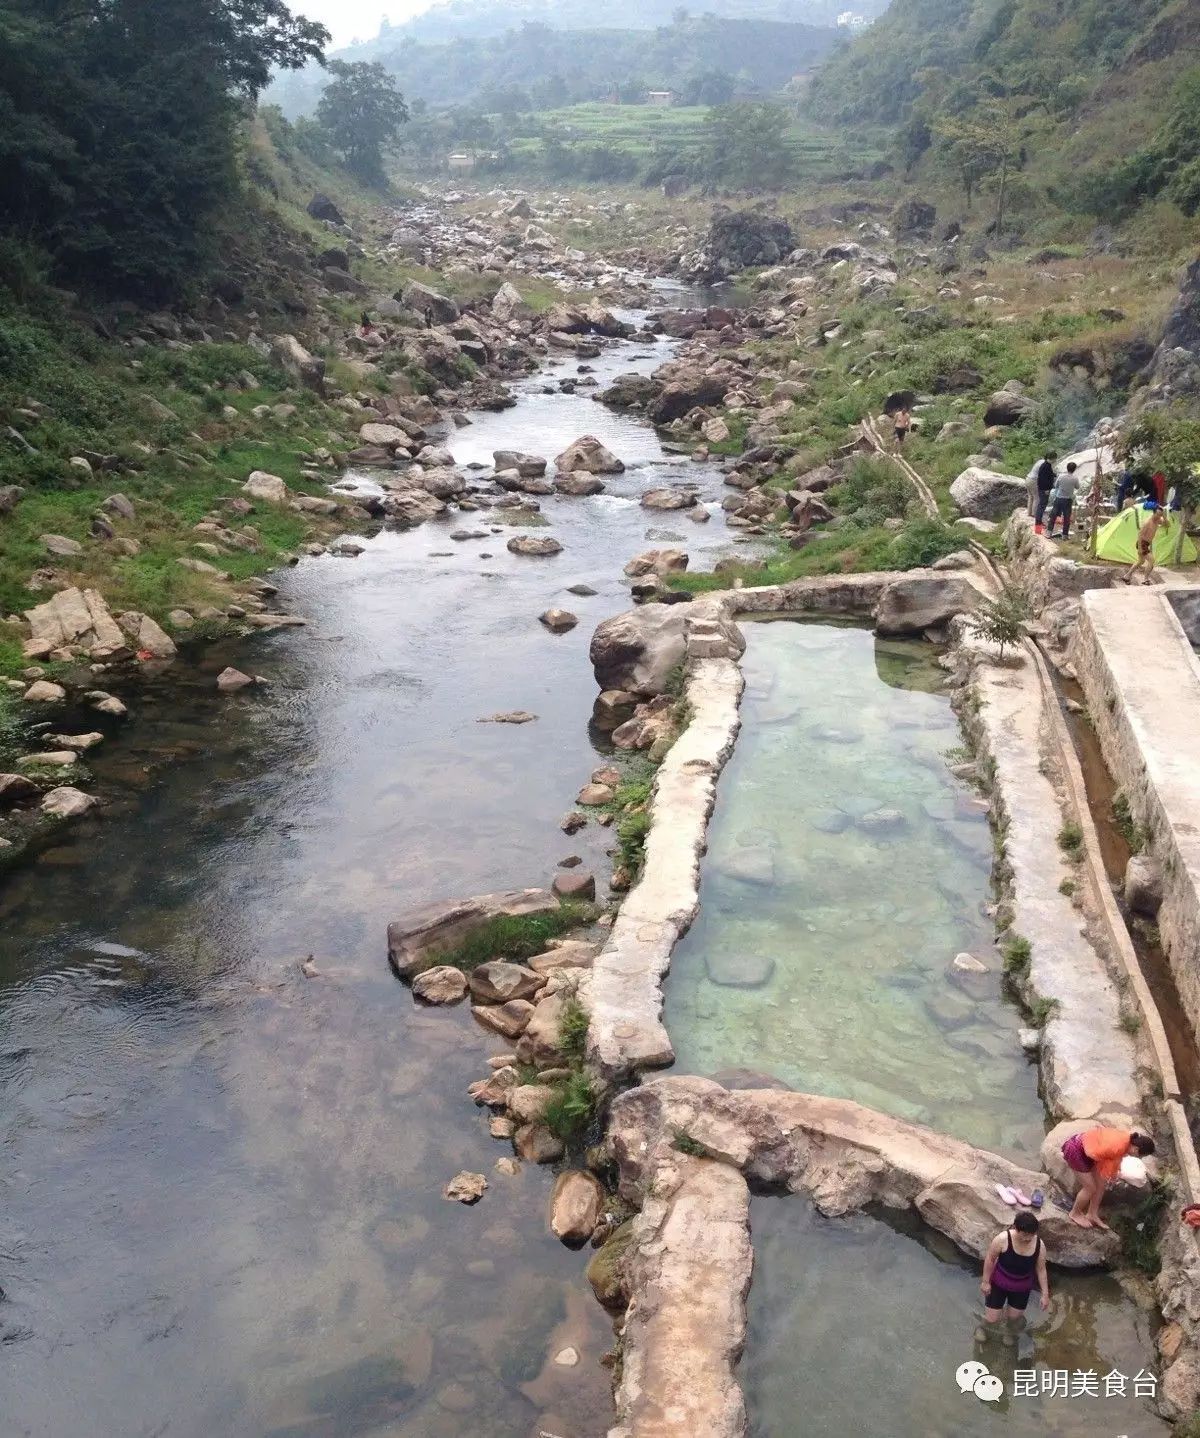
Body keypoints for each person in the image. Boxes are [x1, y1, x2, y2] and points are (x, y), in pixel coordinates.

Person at [1062, 1126, 1155, 1228]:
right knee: (1090, 1188)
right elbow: (1093, 1153)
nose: (1140, 1158)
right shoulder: (1118, 1146)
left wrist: (1111, 1172)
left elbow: (1115, 1158)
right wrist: (1106, 1168)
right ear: (1136, 1149)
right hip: (1076, 1150)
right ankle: (1075, 1213)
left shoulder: (1126, 1141)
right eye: (1141, 1155)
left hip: (1088, 1152)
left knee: (1101, 1185)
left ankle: (1092, 1214)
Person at [980, 1211, 1049, 1332]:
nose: (1028, 1238)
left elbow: (1041, 1269)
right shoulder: (1002, 1239)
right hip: (999, 1284)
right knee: (991, 1319)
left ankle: (1009, 1335)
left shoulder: (1039, 1245)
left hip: (1021, 1288)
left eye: (1031, 1235)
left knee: (1013, 1320)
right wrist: (985, 1282)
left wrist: (1045, 1294)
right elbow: (990, 1259)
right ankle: (983, 1330)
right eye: (1025, 1234)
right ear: (1015, 1228)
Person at [1121, 503, 1168, 586]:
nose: (1158, 517)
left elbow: (1167, 525)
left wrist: (1164, 516)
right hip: (1142, 543)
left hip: (1146, 544)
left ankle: (1127, 576)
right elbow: (1140, 535)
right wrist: (1140, 548)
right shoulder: (1148, 522)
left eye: (1160, 515)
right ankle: (1145, 579)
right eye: (1157, 514)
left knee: (1141, 561)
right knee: (1151, 560)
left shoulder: (1158, 520)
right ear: (1154, 513)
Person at [1047, 461, 1080, 539]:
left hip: (1059, 498)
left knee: (1053, 515)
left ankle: (1049, 533)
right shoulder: (1075, 478)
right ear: (1074, 469)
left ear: (1067, 468)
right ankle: (1065, 535)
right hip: (1068, 500)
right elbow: (1077, 487)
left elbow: (1056, 485)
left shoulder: (1061, 476)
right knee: (1066, 517)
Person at [1033, 452, 1058, 531]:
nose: (1055, 460)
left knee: (1042, 505)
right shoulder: (1045, 466)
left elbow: (1047, 475)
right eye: (1055, 458)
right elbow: (1043, 479)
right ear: (1053, 458)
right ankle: (1038, 524)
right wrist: (1046, 489)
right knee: (1042, 506)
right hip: (1044, 489)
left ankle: (1038, 523)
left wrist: (1053, 475)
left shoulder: (1046, 465)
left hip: (1044, 488)